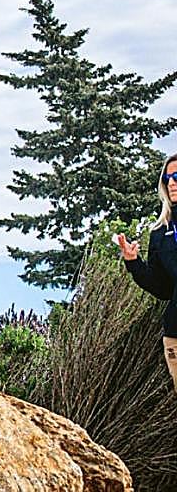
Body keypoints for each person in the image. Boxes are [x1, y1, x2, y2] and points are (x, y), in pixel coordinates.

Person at [115, 153, 177, 391]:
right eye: (167, 178)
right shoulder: (160, 232)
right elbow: (162, 288)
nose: (171, 183)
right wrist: (133, 263)